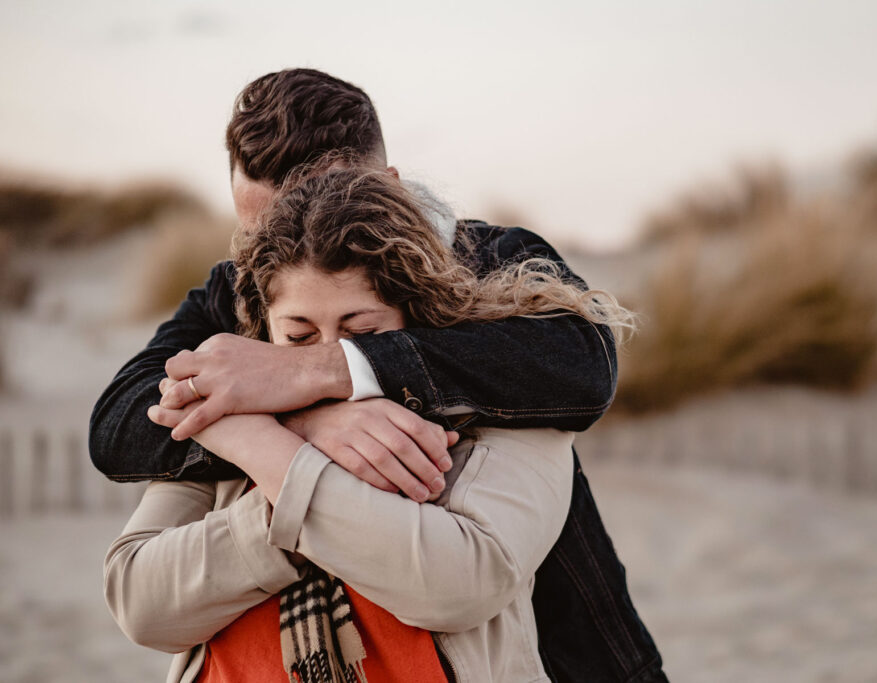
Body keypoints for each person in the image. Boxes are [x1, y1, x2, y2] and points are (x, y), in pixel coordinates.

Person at [90, 68, 666, 682]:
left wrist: (319, 371)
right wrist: (308, 418)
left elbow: (581, 362)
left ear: (386, 187)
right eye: (259, 231)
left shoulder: (489, 264)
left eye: (324, 208)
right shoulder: (238, 290)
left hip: (565, 646)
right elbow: (119, 426)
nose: (290, 245)